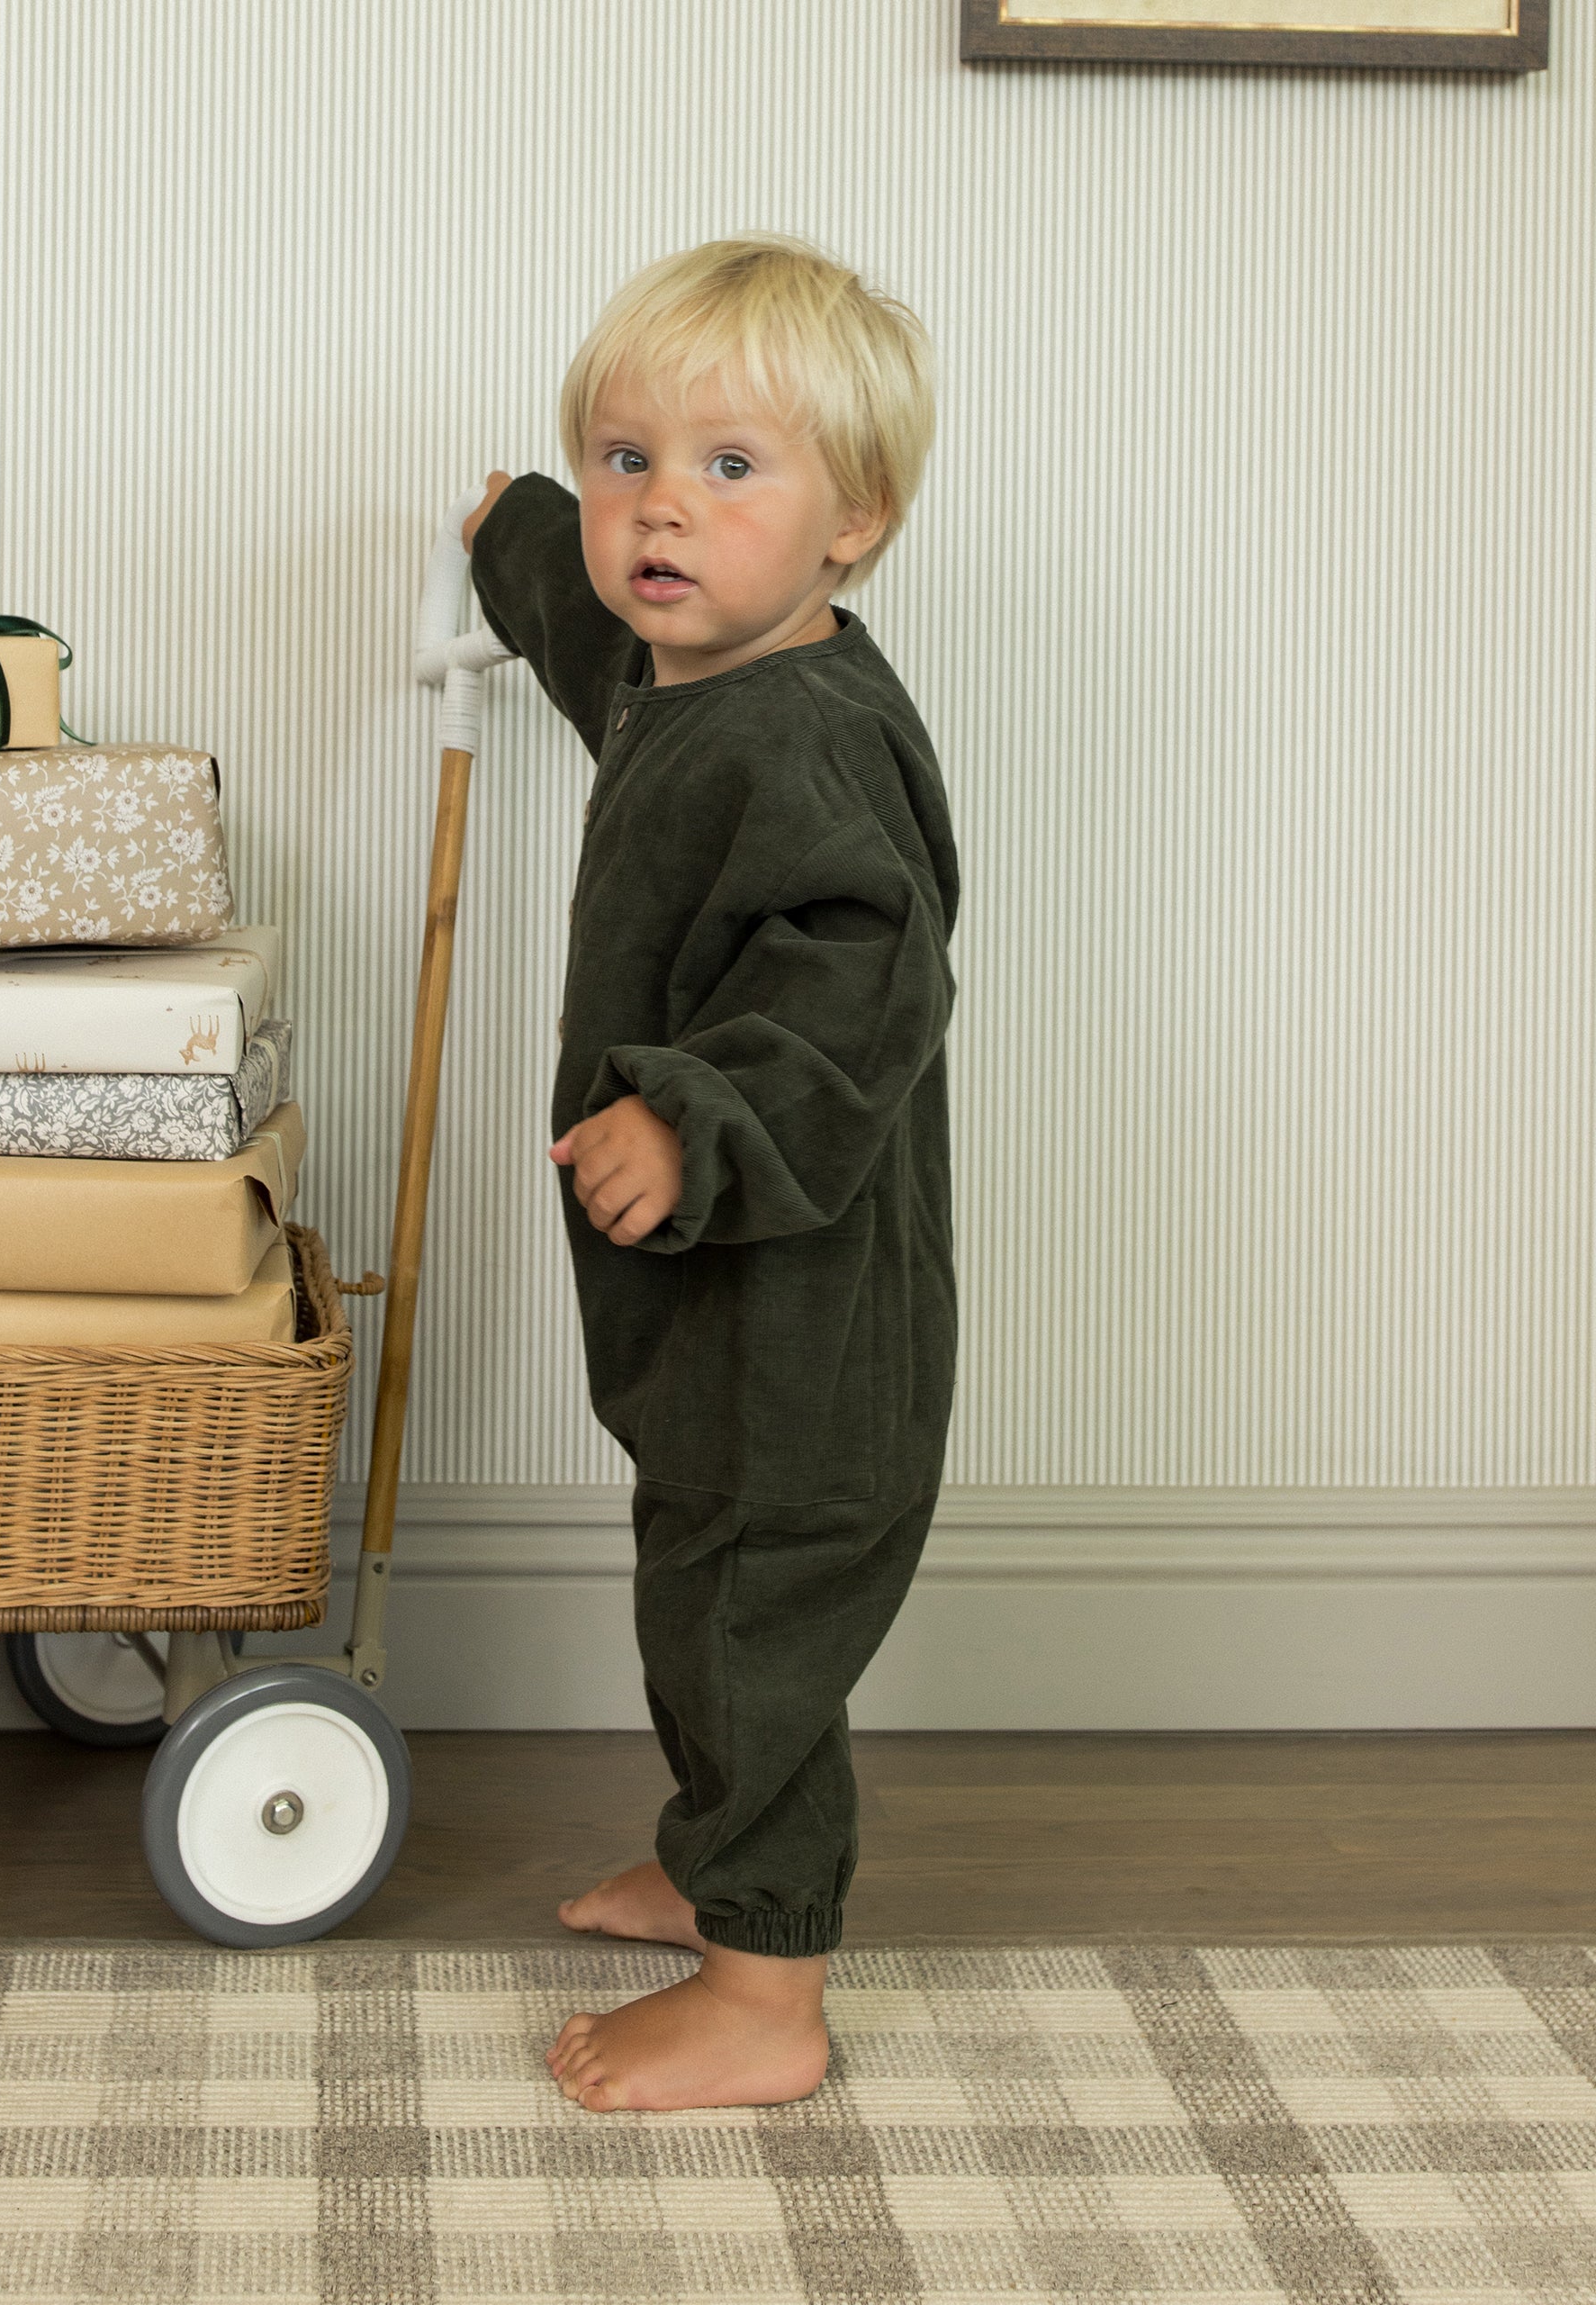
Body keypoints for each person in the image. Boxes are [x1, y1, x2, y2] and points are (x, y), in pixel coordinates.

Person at [462, 233, 959, 2113]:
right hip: (714, 1304)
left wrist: (691, 1118)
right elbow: (591, 631)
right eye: (623, 459)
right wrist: (513, 530)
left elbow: (859, 985)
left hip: (805, 1306)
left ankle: (765, 1989)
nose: (659, 505)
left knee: (750, 1626)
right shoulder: (689, 664)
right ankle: (710, 1864)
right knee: (696, 1580)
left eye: (729, 466)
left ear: (855, 523)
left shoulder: (809, 742)